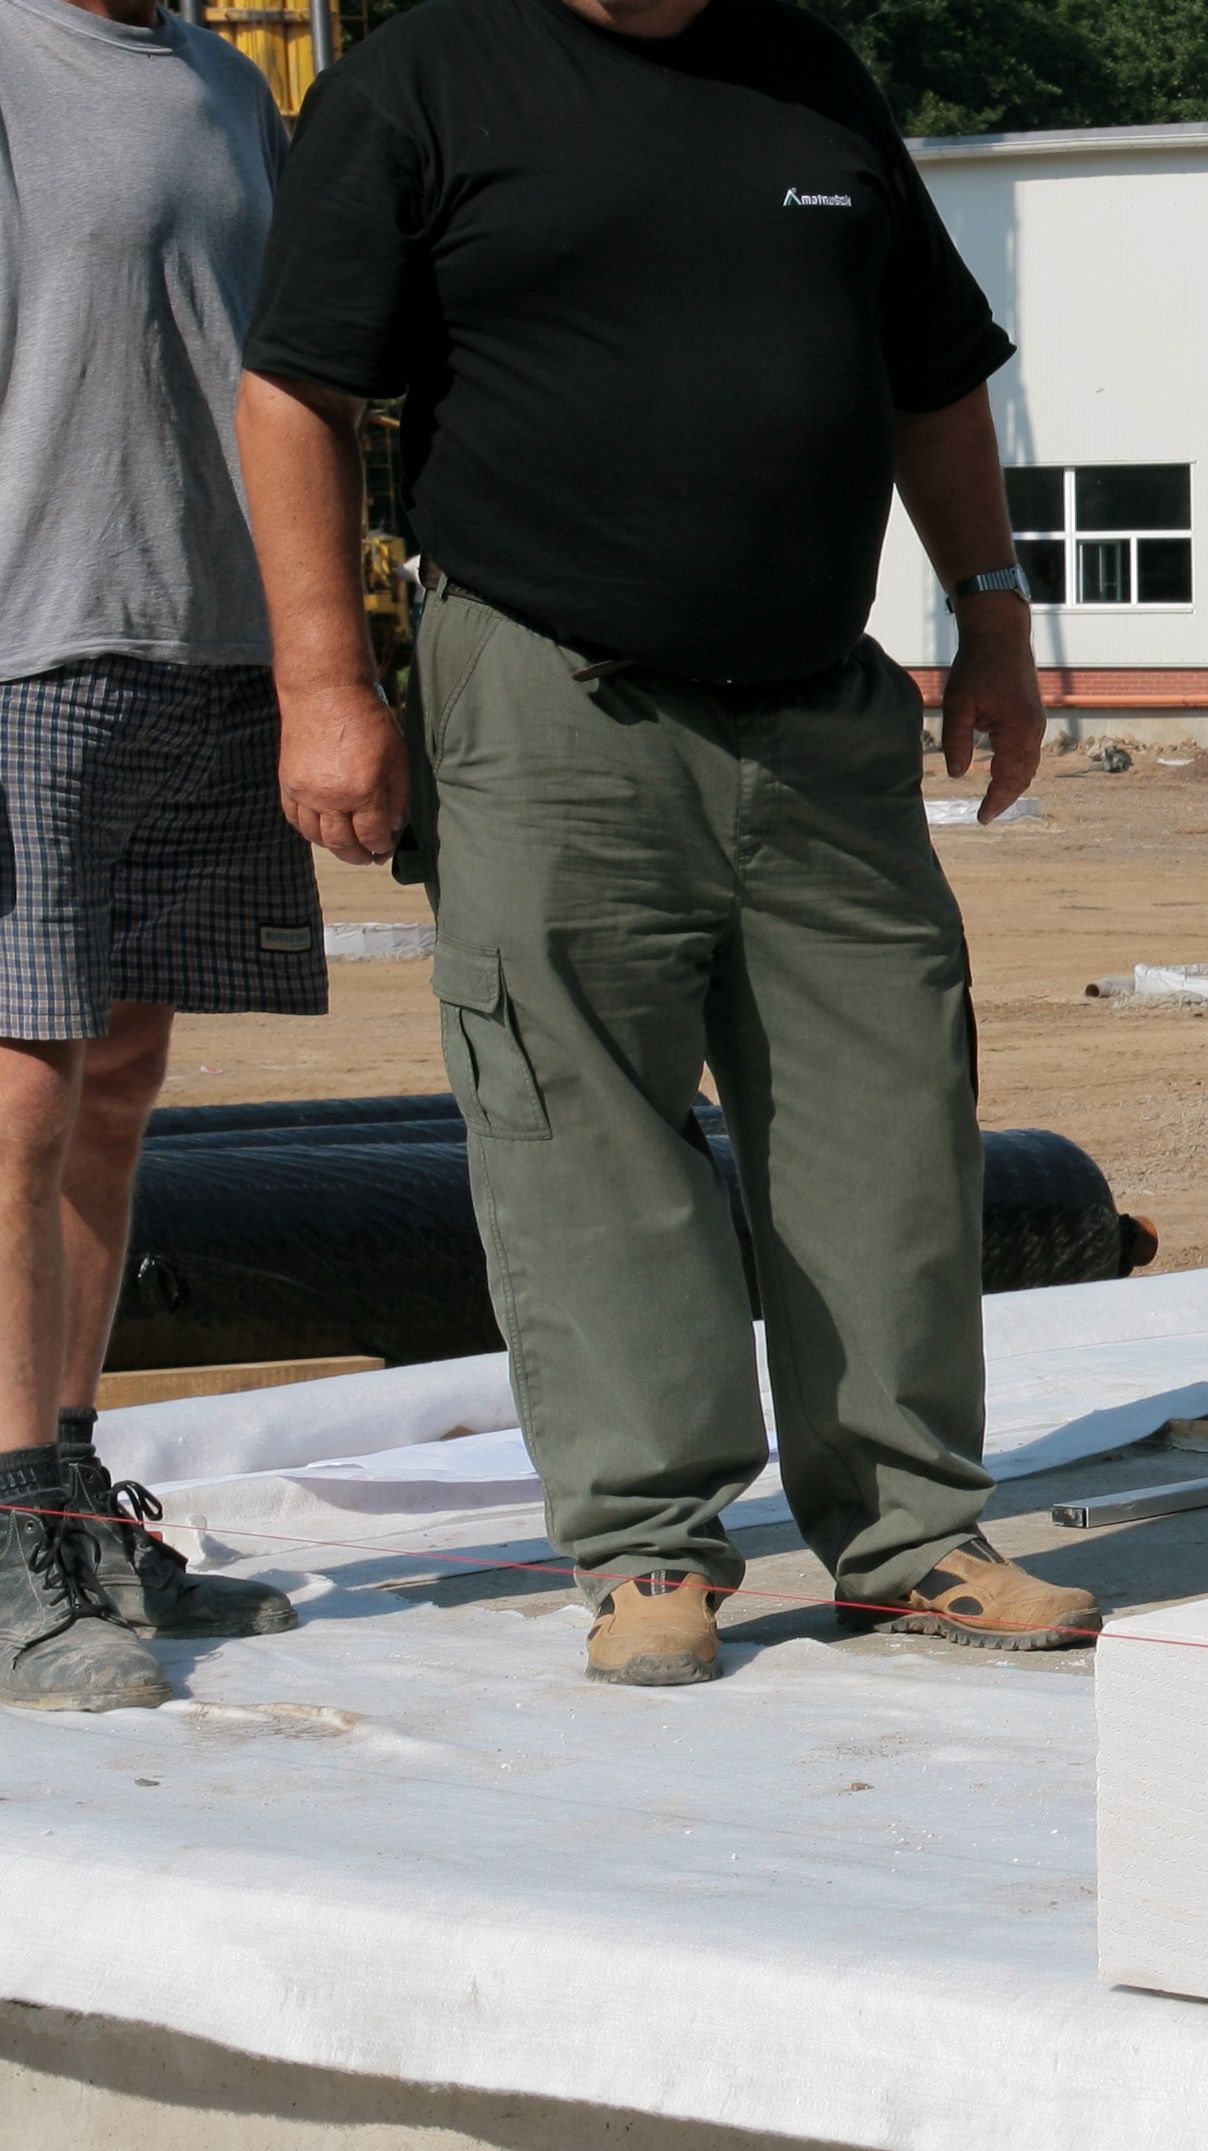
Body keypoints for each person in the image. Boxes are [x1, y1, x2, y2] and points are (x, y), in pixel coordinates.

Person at [238, 0, 1099, 1688]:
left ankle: (911, 1533)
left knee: (891, 1118)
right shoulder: (424, 78)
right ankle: (650, 1549)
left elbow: (930, 375)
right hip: (556, 697)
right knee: (585, 1136)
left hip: (822, 715)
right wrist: (325, 682)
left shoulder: (805, 71)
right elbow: (296, 390)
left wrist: (993, 610)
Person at [0, 0, 316, 1712]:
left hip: (204, 642)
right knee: (17, 1102)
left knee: (115, 1093)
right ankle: (2, 1541)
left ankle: (70, 1498)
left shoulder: (221, 84)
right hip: (22, 644)